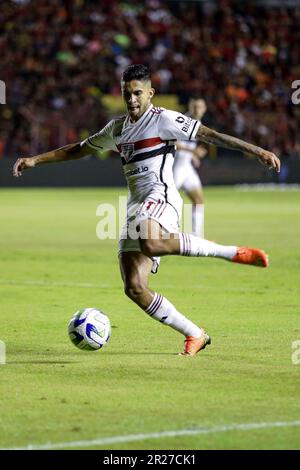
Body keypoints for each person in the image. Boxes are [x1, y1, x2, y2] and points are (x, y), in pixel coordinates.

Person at [13, 64, 280, 356]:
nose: (132, 99)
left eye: (137, 93)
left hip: (162, 197)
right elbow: (79, 148)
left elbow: (209, 134)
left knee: (151, 241)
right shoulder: (117, 128)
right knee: (135, 287)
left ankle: (231, 252)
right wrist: (35, 160)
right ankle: (195, 334)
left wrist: (258, 151)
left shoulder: (164, 119)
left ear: (151, 93)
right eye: (127, 93)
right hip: (136, 205)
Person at [173, 98, 208, 237]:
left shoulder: (198, 123)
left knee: (198, 199)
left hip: (186, 167)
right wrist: (193, 152)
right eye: (195, 107)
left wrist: (192, 157)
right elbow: (173, 142)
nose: (197, 110)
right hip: (175, 166)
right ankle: (166, 232)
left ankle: (196, 236)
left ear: (204, 109)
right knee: (169, 200)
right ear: (190, 106)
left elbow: (188, 145)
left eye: (200, 107)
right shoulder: (183, 121)